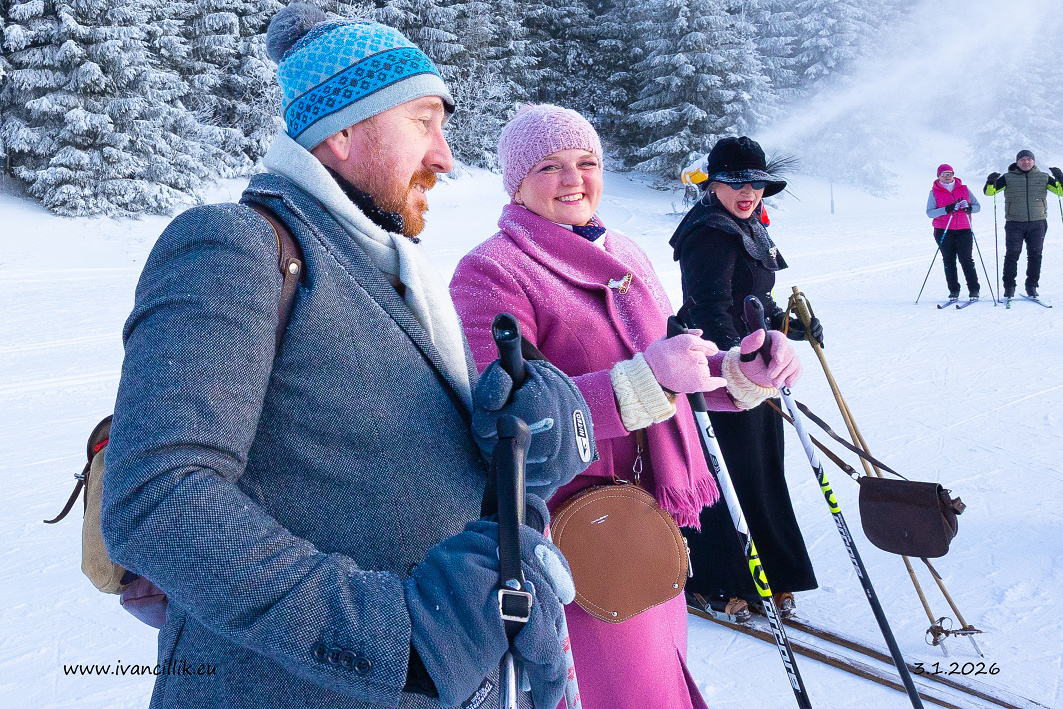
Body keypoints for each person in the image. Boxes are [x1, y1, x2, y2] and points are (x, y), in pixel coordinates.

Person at [100, 7, 594, 709]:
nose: (445, 156)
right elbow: (156, 498)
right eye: (423, 122)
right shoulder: (236, 245)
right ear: (342, 132)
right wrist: (399, 639)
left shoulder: (395, 268)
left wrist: (520, 441)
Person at [450, 105, 802, 709]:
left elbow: (674, 371)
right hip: (575, 528)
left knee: (661, 674)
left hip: (652, 516)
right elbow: (508, 418)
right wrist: (643, 380)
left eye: (586, 162)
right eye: (549, 166)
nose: (573, 179)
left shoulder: (626, 255)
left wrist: (740, 371)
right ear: (515, 181)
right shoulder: (491, 271)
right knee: (623, 690)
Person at [670, 136, 819, 622]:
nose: (748, 192)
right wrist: (739, 364)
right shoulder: (709, 233)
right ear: (713, 184)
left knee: (762, 472)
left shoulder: (749, 227)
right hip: (718, 371)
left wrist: (790, 326)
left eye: (755, 183)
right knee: (728, 475)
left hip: (753, 367)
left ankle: (770, 572)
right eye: (736, 183)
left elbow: (758, 301)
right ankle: (718, 579)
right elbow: (709, 310)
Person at [983, 149, 1063, 298]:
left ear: (1033, 161)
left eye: (1029, 159)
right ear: (1017, 162)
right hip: (1015, 223)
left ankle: (1031, 286)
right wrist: (990, 181)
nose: (1026, 162)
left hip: (1038, 223)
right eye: (1022, 160)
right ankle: (1009, 287)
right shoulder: (1008, 177)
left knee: (1035, 255)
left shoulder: (1043, 177)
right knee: (1012, 255)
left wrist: (1061, 178)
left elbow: (1061, 192)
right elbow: (990, 192)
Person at [926, 164, 981, 302]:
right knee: (949, 260)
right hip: (943, 230)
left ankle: (974, 289)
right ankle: (954, 291)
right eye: (943, 174)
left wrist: (968, 207)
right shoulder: (934, 192)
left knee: (966, 259)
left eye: (949, 173)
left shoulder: (964, 189)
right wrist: (947, 209)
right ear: (938, 176)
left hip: (964, 229)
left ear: (953, 174)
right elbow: (930, 212)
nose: (947, 176)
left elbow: (977, 207)